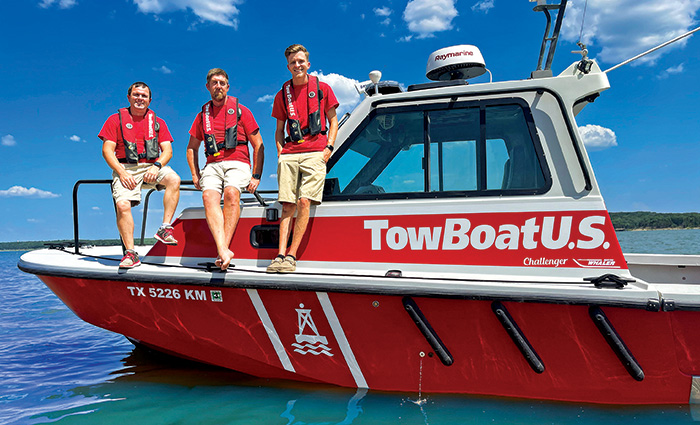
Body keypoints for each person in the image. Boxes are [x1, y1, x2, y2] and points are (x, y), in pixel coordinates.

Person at [267, 44, 339, 273]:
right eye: (292, 62)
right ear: (288, 66)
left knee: (304, 201)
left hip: (316, 150)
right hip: (290, 153)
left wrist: (328, 148)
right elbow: (278, 130)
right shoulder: (282, 95)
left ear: (308, 63)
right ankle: (279, 255)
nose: (297, 65)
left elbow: (333, 121)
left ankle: (291, 256)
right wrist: (280, 152)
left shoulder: (323, 89)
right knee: (287, 204)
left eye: (300, 61)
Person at [186, 68, 264, 271]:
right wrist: (195, 174)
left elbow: (258, 145)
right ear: (208, 87)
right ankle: (224, 250)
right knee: (208, 197)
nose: (218, 86)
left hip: (238, 162)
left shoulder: (242, 111)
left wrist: (256, 176)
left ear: (227, 87)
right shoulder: (202, 116)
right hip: (212, 164)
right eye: (214, 83)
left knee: (231, 192)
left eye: (222, 83)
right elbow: (191, 148)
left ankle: (223, 248)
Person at [99, 81, 181, 269]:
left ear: (149, 100)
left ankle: (165, 228)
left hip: (152, 166)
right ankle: (131, 253)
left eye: (143, 96)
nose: (139, 99)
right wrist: (121, 172)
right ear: (129, 97)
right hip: (125, 168)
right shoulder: (114, 120)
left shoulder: (158, 122)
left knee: (173, 179)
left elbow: (167, 151)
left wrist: (156, 166)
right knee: (122, 204)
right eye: (136, 95)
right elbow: (107, 151)